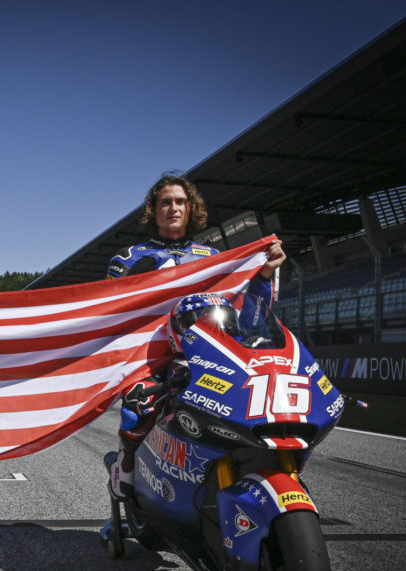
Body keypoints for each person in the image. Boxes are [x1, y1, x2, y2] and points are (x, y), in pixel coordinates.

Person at [103, 174, 286, 506]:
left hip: (208, 353)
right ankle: (126, 462)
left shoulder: (215, 256)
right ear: (153, 210)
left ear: (191, 208)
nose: (173, 207)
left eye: (180, 201)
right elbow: (110, 311)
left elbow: (249, 317)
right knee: (136, 410)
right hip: (149, 356)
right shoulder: (130, 256)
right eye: (166, 202)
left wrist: (263, 273)